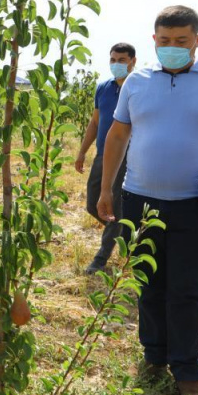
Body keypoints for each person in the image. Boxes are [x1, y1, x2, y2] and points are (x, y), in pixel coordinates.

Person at [98, 5, 198, 395]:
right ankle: (153, 357)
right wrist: (106, 188)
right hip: (140, 200)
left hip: (193, 204)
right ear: (154, 41)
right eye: (164, 41)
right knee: (147, 285)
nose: (172, 48)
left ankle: (187, 372)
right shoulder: (137, 83)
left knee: (188, 290)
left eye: (181, 41)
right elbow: (117, 136)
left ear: (197, 40)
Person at [75, 43, 137, 273]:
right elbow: (94, 122)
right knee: (94, 204)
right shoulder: (103, 88)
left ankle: (100, 259)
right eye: (113, 60)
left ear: (133, 61)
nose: (116, 64)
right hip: (103, 155)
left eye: (121, 60)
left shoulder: (139, 87)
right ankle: (123, 231)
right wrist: (82, 151)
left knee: (112, 205)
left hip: (127, 157)